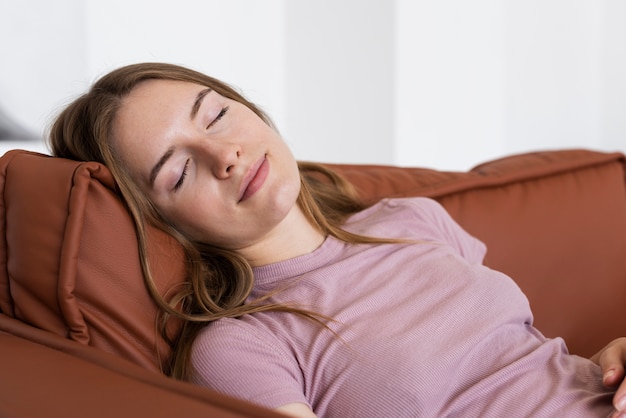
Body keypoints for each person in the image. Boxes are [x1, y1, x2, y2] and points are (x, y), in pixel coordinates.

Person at [49, 62, 626, 417]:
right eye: (179, 172)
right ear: (160, 222)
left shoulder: (413, 219)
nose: (224, 156)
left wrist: (608, 362)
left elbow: (523, 363)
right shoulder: (241, 347)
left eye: (217, 115)